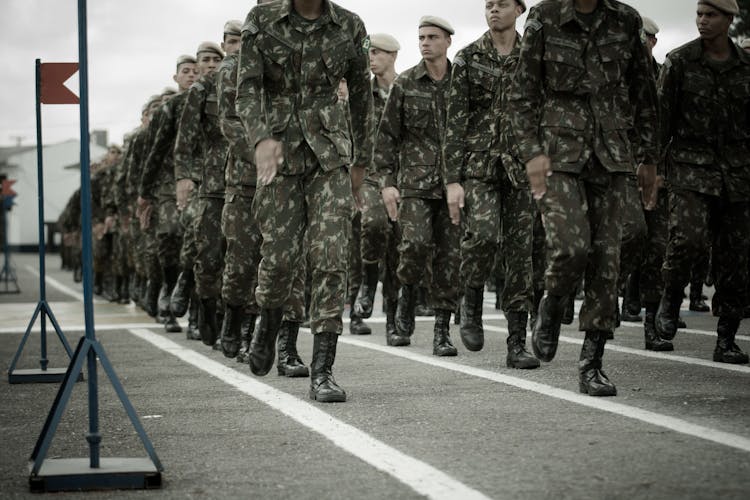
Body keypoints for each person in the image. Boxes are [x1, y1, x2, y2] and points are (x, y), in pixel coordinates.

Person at [509, 0, 659, 396]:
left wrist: (647, 157)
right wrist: (531, 152)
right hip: (558, 152)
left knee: (608, 258)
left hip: (612, 154)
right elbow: (523, 91)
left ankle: (592, 363)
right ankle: (553, 301)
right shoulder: (545, 16)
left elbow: (644, 92)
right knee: (570, 247)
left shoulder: (625, 20)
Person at [236, 0, 372, 402]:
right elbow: (246, 91)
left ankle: (323, 370)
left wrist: (361, 162)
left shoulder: (349, 25)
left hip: (329, 157)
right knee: (279, 261)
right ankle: (269, 318)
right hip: (278, 155)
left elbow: (363, 99)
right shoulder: (261, 20)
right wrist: (260, 137)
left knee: (332, 256)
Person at [444, 0, 539, 369]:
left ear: (520, 9)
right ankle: (470, 301)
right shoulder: (469, 58)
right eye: (488, 5)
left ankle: (517, 343)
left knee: (520, 255)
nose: (494, 10)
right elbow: (455, 124)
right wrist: (452, 180)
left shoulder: (534, 59)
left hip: (520, 167)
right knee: (482, 235)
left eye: (501, 4)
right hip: (479, 167)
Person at [655, 0, 750, 364]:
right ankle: (670, 297)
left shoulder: (745, 68)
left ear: (729, 19)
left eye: (711, 15)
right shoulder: (680, 62)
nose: (702, 21)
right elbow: (663, 120)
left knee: (735, 258)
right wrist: (656, 170)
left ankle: (726, 338)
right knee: (688, 240)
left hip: (738, 175)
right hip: (690, 169)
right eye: (698, 14)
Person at [373, 16, 460, 356]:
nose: (425, 42)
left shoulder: (461, 83)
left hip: (453, 185)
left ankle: (442, 331)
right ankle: (402, 311)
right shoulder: (406, 83)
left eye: (432, 37)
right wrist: (387, 183)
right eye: (421, 37)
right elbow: (386, 138)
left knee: (450, 259)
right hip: (414, 186)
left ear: (447, 42)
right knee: (413, 247)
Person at [138, 55, 198, 332]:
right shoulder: (171, 108)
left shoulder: (212, 100)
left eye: (195, 71)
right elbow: (155, 152)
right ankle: (166, 291)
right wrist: (144, 193)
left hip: (203, 184)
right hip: (167, 188)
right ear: (177, 77)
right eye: (186, 71)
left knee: (202, 246)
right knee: (170, 239)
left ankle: (198, 313)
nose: (192, 75)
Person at [174, 40, 227, 346]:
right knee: (207, 256)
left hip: (243, 183)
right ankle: (204, 311)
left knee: (238, 258)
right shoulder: (200, 92)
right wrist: (185, 177)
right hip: (207, 186)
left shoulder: (243, 85)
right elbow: (184, 141)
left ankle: (230, 326)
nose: (209, 65)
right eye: (204, 60)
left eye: (214, 59)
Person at [354, 33, 402, 339]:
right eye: (368, 52)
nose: (370, 58)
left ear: (393, 55)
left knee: (399, 249)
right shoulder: (362, 93)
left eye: (376, 52)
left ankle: (393, 322)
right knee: (372, 224)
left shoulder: (408, 87)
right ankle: (369, 281)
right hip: (370, 174)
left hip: (404, 176)